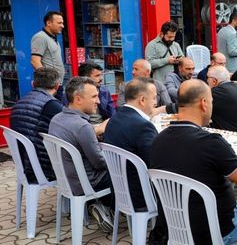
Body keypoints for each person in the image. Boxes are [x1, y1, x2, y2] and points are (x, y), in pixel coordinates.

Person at [149, 80, 237, 245]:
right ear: (204, 103)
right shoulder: (211, 142)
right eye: (212, 102)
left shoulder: (157, 141)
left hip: (176, 228)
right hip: (217, 230)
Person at [48, 77, 113, 233]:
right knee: (130, 173)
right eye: (94, 97)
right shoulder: (82, 126)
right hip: (87, 183)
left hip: (67, 179)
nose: (98, 101)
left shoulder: (56, 119)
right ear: (78, 99)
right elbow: (99, 163)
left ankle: (103, 207)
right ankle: (115, 210)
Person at [103, 78, 158, 210]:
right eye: (154, 98)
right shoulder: (143, 126)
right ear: (142, 100)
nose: (156, 102)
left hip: (119, 190)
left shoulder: (114, 119)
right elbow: (156, 164)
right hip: (140, 195)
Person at [9, 67, 63, 182]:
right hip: (43, 168)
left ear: (33, 84)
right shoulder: (51, 105)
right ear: (57, 86)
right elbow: (69, 131)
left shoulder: (19, 103)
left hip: (24, 163)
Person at [207, 66, 237, 132]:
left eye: (207, 78)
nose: (206, 80)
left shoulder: (217, 92)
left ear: (214, 81)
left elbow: (202, 113)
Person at [31, 11, 66, 90]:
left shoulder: (53, 38)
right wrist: (47, 81)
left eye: (62, 23)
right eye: (59, 23)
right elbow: (35, 61)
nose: (62, 26)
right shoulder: (40, 37)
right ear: (49, 23)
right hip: (49, 86)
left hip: (57, 83)